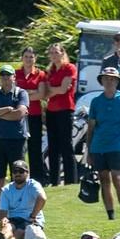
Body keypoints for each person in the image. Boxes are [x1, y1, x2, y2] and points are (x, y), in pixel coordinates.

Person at [87, 66, 120, 221]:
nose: (109, 81)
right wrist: (89, 152)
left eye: (112, 79)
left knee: (117, 178)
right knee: (104, 179)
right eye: (106, 78)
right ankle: (111, 216)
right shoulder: (96, 101)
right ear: (102, 81)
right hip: (98, 146)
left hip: (116, 145)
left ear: (117, 81)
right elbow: (91, 128)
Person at [38, 42, 80, 187]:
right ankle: (54, 181)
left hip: (65, 109)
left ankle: (71, 181)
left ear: (62, 53)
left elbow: (63, 90)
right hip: (51, 111)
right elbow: (46, 92)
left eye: (56, 52)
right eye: (52, 53)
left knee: (66, 146)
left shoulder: (69, 68)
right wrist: (56, 89)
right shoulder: (50, 71)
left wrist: (53, 89)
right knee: (53, 147)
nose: (54, 55)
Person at [0, 66, 30, 187]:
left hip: (17, 140)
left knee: (19, 177)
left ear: (14, 77)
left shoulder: (21, 93)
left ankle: (18, 206)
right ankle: (1, 206)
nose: (5, 78)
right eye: (3, 76)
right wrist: (6, 110)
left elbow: (18, 114)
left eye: (8, 75)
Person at [0, 161, 46, 239]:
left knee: (19, 232)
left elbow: (42, 198)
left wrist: (33, 216)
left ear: (27, 173)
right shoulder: (6, 190)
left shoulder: (33, 185)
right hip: (13, 218)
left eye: (21, 171)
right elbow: (3, 210)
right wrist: (3, 219)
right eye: (15, 172)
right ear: (12, 174)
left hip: (30, 219)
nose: (17, 174)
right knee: (8, 227)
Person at [14, 47, 48, 181]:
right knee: (19, 147)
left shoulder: (40, 74)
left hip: (34, 114)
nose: (28, 59)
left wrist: (23, 93)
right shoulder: (16, 74)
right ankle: (19, 176)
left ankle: (38, 178)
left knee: (35, 147)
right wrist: (31, 92)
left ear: (35, 59)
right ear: (22, 58)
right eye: (26, 56)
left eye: (31, 57)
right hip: (19, 115)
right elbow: (14, 94)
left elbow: (42, 94)